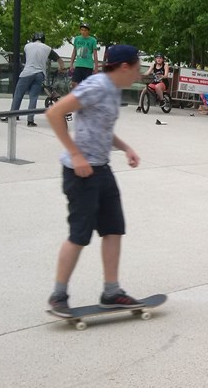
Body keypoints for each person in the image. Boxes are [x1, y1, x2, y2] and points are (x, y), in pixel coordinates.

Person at [44, 44, 145, 316]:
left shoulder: (113, 90)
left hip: (101, 168)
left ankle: (111, 292)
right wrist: (76, 155)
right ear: (124, 67)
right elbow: (54, 113)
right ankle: (58, 295)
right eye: (137, 68)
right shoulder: (97, 86)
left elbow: (103, 129)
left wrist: (126, 148)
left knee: (114, 228)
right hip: (80, 172)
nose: (138, 74)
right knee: (79, 234)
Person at [11, 32, 65, 127]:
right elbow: (60, 60)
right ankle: (30, 121)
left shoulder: (27, 46)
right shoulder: (47, 48)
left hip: (27, 73)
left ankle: (12, 116)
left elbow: (24, 61)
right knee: (33, 97)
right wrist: (61, 68)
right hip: (39, 75)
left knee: (18, 95)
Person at [69, 23, 98, 89]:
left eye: (85, 30)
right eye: (82, 30)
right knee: (74, 83)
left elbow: (95, 54)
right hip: (79, 65)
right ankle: (76, 96)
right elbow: (74, 52)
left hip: (88, 66)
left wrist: (96, 67)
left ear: (88, 31)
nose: (83, 32)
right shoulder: (77, 39)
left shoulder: (93, 40)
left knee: (86, 85)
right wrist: (71, 64)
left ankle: (85, 97)